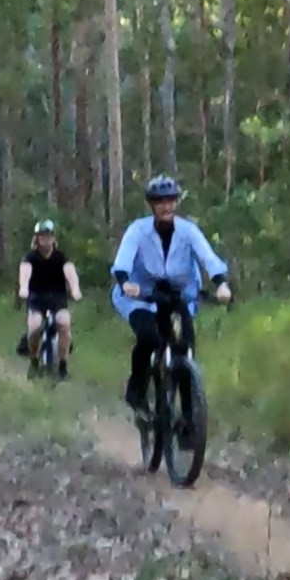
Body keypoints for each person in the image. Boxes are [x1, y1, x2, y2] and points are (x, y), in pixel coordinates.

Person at [111, 175, 232, 417]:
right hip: (140, 297)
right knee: (149, 337)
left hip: (178, 296)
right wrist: (125, 283)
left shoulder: (188, 231)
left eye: (171, 201)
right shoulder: (138, 230)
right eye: (160, 201)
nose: (166, 206)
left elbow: (208, 258)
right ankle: (136, 391)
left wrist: (221, 284)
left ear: (176, 203)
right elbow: (122, 262)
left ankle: (189, 419)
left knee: (185, 349)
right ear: (152, 205)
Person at [15, 219, 81, 377]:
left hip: (57, 298)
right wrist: (23, 288)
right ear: (36, 239)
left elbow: (70, 271)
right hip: (37, 298)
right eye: (41, 236)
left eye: (48, 236)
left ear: (53, 238)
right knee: (35, 326)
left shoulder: (60, 257)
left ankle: (63, 364)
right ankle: (34, 360)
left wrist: (75, 288)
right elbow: (25, 272)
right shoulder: (30, 258)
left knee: (64, 323)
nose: (45, 239)